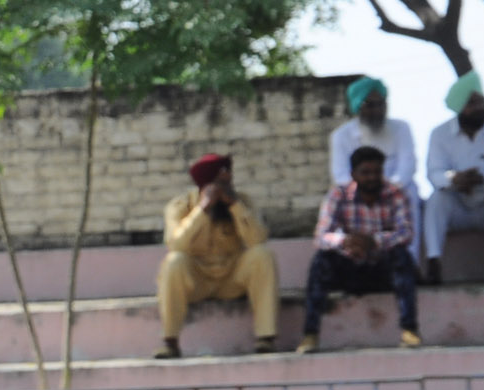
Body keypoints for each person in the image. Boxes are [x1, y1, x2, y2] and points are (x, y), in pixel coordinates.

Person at [298, 146, 422, 353]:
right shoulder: (338, 194)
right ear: (353, 174)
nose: (372, 178)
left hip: (381, 269)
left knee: (402, 257)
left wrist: (374, 241)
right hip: (350, 269)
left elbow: (406, 233)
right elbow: (321, 236)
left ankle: (409, 331)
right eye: (366, 172)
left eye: (377, 172)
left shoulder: (396, 194)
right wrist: (346, 241)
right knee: (321, 261)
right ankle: (310, 335)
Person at [154, 152, 278, 358]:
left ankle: (265, 338)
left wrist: (235, 206)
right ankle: (170, 342)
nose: (224, 190)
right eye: (219, 184)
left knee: (262, 255)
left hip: (232, 278)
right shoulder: (180, 205)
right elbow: (175, 244)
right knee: (174, 261)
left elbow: (258, 239)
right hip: (196, 280)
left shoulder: (243, 201)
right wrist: (203, 209)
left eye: (228, 183)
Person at [422, 70, 484, 283]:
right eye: (472, 103)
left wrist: (482, 178)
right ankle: (433, 263)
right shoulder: (439, 134)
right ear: (460, 108)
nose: (480, 107)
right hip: (458, 207)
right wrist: (453, 179)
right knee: (436, 197)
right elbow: (434, 173)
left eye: (481, 101)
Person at [330, 76, 418, 196]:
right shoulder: (341, 136)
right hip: (358, 195)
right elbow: (341, 176)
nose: (377, 110)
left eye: (380, 103)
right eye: (370, 105)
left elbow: (407, 167)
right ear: (357, 106)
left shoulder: (401, 128)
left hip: (398, 191)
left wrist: (388, 190)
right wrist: (366, 193)